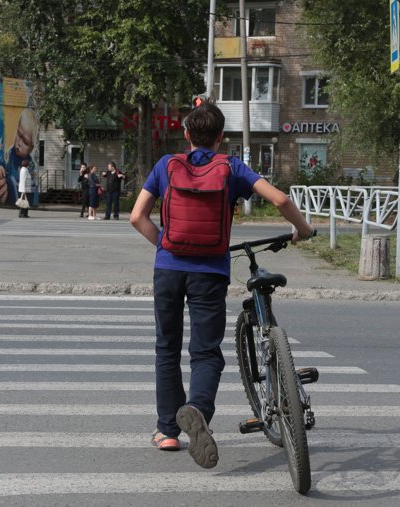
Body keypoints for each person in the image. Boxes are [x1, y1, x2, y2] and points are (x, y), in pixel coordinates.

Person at [130, 102, 314, 468]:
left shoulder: (166, 165)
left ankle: (168, 431)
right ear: (220, 138)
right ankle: (197, 409)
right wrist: (303, 230)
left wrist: (166, 246)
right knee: (206, 351)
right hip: (210, 272)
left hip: (168, 270)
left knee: (166, 348)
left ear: (186, 135)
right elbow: (280, 199)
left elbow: (137, 217)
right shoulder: (232, 168)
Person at [0, 108, 37, 205]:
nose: (19, 143)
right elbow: (1, 162)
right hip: (6, 197)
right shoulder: (9, 153)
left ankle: (22, 208)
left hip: (18, 196)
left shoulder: (29, 165)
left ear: (31, 148)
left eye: (25, 142)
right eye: (19, 134)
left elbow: (31, 187)